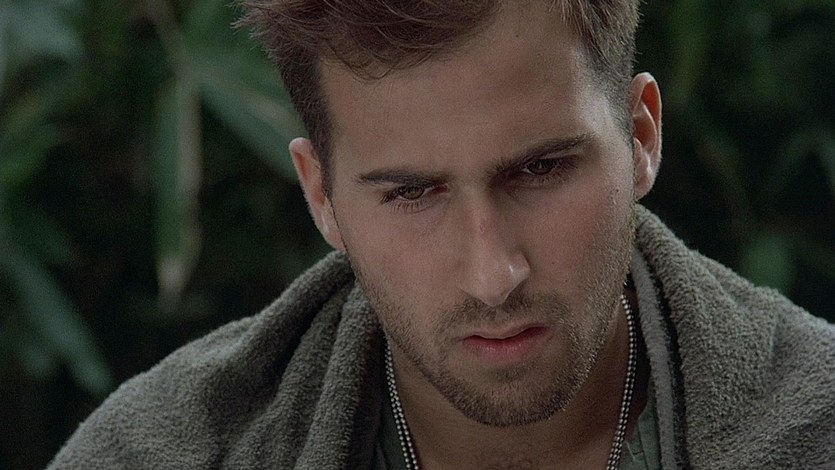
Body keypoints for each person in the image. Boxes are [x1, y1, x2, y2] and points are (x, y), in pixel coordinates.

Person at [48, 1, 835, 469]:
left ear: (640, 136)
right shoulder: (159, 453)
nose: (493, 275)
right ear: (321, 195)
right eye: (412, 193)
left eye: (540, 170)